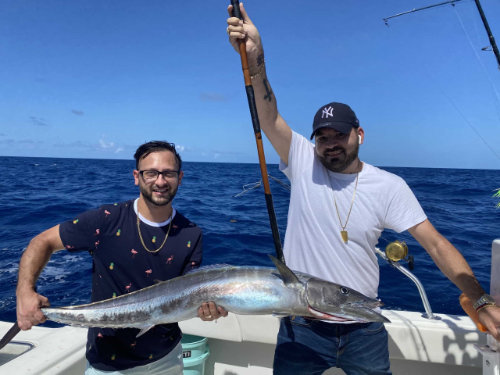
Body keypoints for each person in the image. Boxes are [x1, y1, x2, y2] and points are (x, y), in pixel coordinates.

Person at [226, 4, 500, 375]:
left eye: (340, 134)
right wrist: (256, 60)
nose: (330, 143)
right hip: (302, 323)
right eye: (322, 136)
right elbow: (268, 114)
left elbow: (435, 243)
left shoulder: (389, 186)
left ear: (360, 135)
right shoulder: (302, 161)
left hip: (364, 325)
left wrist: (480, 299)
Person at [16, 141, 227, 375]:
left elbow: (187, 294)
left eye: (168, 173)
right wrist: (25, 292)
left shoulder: (191, 233)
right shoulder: (106, 220)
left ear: (180, 177)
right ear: (136, 176)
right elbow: (42, 242)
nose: (160, 181)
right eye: (151, 173)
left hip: (167, 357)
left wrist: (207, 310)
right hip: (108, 363)